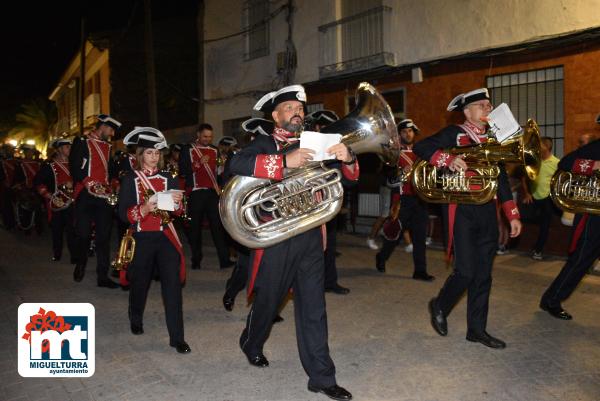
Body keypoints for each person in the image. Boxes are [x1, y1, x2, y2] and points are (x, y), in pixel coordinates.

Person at [228, 85, 355, 400]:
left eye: (300, 109)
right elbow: (237, 165)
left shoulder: (316, 141)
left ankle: (322, 377)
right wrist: (285, 163)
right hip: (278, 237)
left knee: (314, 308)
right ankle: (251, 341)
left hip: (312, 234)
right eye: (289, 108)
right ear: (275, 115)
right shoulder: (263, 142)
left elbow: (348, 176)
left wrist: (347, 156)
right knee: (269, 302)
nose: (297, 113)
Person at [414, 88, 522, 349]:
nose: (488, 109)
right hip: (461, 210)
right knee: (466, 272)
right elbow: (421, 146)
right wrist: (447, 159)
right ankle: (440, 304)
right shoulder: (454, 134)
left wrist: (512, 214)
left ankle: (477, 330)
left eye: (488, 105)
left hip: (487, 210)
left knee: (484, 275)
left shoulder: (495, 139)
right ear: (467, 112)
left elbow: (501, 179)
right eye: (482, 105)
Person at [117, 127, 190, 353]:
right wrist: (146, 207)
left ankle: (177, 337)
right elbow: (123, 214)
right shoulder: (131, 179)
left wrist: (178, 203)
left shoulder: (169, 178)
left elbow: (177, 212)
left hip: (165, 236)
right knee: (140, 283)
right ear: (141, 155)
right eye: (149, 153)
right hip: (142, 237)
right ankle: (135, 317)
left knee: (172, 287)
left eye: (157, 153)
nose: (154, 157)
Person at [539, 138, 600, 320]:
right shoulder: (597, 147)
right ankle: (552, 299)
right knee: (582, 259)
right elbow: (566, 163)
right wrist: (595, 165)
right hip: (595, 214)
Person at [376, 119, 434, 281]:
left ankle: (420, 271)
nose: (408, 134)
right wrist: (402, 174)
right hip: (401, 199)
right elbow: (388, 180)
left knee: (420, 236)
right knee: (395, 235)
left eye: (410, 131)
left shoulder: (421, 151)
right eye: (404, 131)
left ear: (414, 133)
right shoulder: (393, 153)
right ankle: (381, 257)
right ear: (399, 134)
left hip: (420, 198)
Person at [69, 114, 121, 288]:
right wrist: (90, 184)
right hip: (85, 193)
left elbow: (111, 170)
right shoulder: (82, 142)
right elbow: (75, 166)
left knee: (103, 237)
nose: (112, 134)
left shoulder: (108, 147)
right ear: (103, 126)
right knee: (83, 233)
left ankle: (102, 276)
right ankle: (81, 263)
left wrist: (114, 183)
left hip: (104, 196)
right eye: (111, 129)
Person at [306, 109, 351, 295]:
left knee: (330, 245)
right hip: (309, 201)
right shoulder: (307, 143)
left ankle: (330, 282)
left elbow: (346, 177)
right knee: (308, 249)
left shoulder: (337, 145)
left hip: (330, 200)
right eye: (323, 127)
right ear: (317, 127)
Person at [179, 123, 234, 270]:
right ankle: (196, 259)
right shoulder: (188, 149)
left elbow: (217, 173)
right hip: (196, 192)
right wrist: (197, 164)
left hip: (211, 192)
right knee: (195, 228)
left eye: (210, 137)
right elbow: (182, 171)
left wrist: (222, 169)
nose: (207, 139)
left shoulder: (214, 150)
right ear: (198, 134)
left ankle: (224, 259)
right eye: (205, 136)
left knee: (218, 226)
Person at [34, 138, 76, 262]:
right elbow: (38, 182)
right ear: (59, 149)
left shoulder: (74, 165)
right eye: (67, 147)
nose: (70, 149)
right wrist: (48, 195)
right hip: (57, 203)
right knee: (57, 230)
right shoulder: (49, 166)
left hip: (72, 202)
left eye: (70, 147)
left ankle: (74, 255)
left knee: (72, 230)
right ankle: (57, 253)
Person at [521, 137, 560, 260]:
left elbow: (560, 181)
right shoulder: (534, 160)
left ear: (547, 147)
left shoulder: (557, 163)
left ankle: (538, 250)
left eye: (540, 146)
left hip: (548, 198)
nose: (537, 148)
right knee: (527, 217)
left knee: (545, 224)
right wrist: (527, 193)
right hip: (533, 197)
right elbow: (524, 178)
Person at [12, 144, 43, 234]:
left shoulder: (38, 164)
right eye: (28, 152)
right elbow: (17, 178)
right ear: (25, 153)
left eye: (31, 152)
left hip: (37, 189)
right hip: (25, 190)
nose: (30, 153)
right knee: (26, 209)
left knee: (38, 210)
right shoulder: (20, 164)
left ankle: (38, 228)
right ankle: (26, 228)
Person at [0, 143, 17, 230]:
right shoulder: (2, 162)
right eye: (9, 150)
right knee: (6, 206)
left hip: (15, 186)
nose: (11, 151)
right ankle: (8, 223)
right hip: (4, 186)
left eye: (12, 150)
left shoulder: (17, 161)